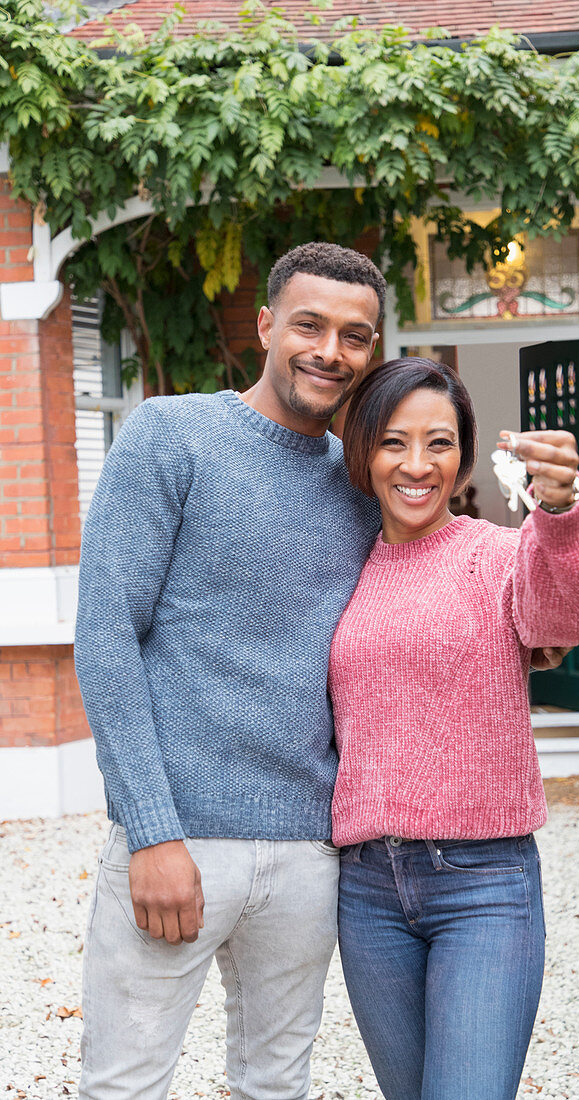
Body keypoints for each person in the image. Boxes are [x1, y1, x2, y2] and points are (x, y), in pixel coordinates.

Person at [73, 242, 387, 1100]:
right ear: (265, 326)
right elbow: (106, 635)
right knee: (125, 1084)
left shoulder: (361, 482)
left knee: (275, 1083)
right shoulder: (171, 437)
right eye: (310, 325)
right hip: (178, 842)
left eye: (355, 336)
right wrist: (151, 832)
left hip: (308, 851)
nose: (331, 351)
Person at [328, 357, 579, 1100]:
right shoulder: (338, 567)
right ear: (361, 451)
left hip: (483, 887)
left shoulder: (496, 555)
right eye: (393, 442)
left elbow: (561, 614)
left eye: (439, 443)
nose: (416, 465)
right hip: (365, 892)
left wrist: (558, 512)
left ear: (464, 455)